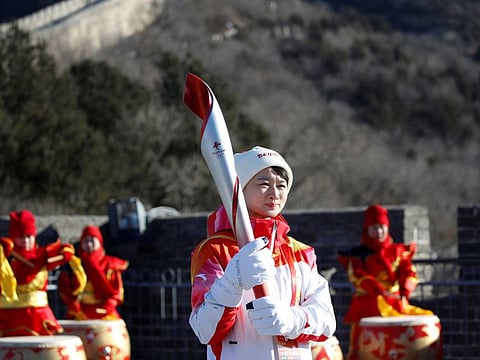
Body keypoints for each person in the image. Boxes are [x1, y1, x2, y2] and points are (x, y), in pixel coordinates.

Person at [189, 146, 336, 360]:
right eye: (264, 184)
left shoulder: (301, 252)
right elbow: (205, 330)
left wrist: (291, 320)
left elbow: (326, 323)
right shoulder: (215, 249)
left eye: (281, 185)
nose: (275, 193)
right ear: (239, 189)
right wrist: (233, 282)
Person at [337, 204, 433, 360]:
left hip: (395, 304)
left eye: (382, 227)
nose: (379, 232)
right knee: (362, 350)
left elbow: (408, 272)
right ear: (367, 230)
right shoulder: (357, 255)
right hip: (367, 305)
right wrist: (379, 290)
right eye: (374, 228)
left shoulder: (398, 251)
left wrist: (405, 291)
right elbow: (358, 276)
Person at [0, 209, 80, 336]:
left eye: (29, 237)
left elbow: (60, 250)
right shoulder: (4, 256)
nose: (26, 241)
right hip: (8, 315)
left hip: (38, 314)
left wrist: (66, 251)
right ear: (13, 237)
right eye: (21, 237)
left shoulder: (42, 255)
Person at [58, 225, 129, 320]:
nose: (89, 245)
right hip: (79, 312)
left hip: (104, 313)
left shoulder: (110, 265)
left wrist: (109, 305)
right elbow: (64, 288)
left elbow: (117, 291)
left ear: (99, 242)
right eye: (86, 241)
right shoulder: (74, 264)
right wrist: (72, 303)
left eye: (92, 241)